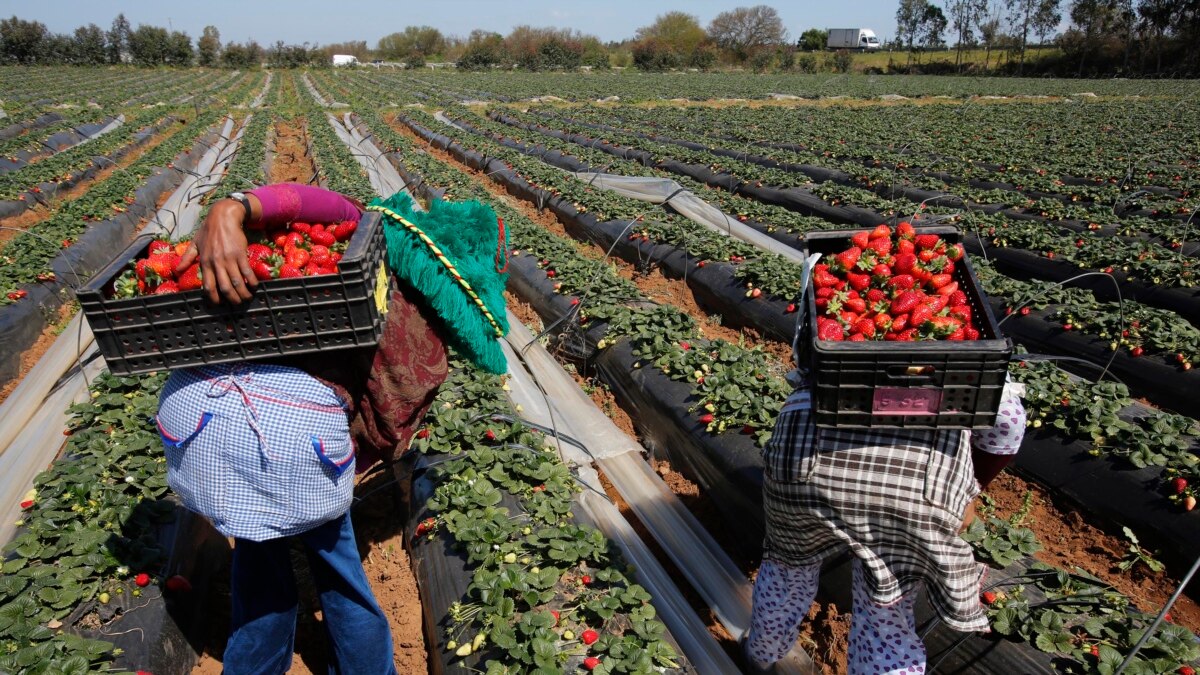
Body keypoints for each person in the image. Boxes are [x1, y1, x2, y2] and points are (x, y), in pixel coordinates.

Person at [155, 183, 509, 674]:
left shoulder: (367, 236)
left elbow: (304, 200)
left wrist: (229, 209)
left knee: (258, 564)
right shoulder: (419, 338)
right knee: (337, 568)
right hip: (294, 431)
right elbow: (378, 429)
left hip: (191, 415)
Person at [744, 366, 1027, 674]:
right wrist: (972, 487)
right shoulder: (970, 346)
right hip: (914, 481)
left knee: (787, 570)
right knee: (886, 611)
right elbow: (1009, 422)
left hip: (803, 456)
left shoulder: (835, 326)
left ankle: (760, 656)